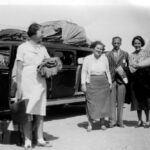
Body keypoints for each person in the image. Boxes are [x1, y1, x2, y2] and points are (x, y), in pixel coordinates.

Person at [15, 23, 51, 149]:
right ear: (34, 33)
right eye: (41, 32)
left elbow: (49, 62)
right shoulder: (22, 47)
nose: (43, 34)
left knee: (40, 111)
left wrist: (53, 64)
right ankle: (28, 140)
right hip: (27, 81)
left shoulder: (42, 48)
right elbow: (18, 70)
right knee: (27, 112)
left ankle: (40, 139)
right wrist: (19, 89)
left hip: (40, 82)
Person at [81, 41, 112, 131]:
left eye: (101, 49)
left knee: (103, 104)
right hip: (91, 82)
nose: (99, 50)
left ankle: (102, 124)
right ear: (93, 48)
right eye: (97, 48)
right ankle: (90, 124)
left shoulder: (104, 58)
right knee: (91, 104)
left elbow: (108, 71)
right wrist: (83, 84)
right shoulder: (87, 58)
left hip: (103, 82)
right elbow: (84, 72)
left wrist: (109, 83)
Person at [106, 36, 129, 128]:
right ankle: (112, 122)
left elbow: (129, 67)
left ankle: (120, 122)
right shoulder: (107, 54)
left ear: (121, 43)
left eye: (118, 43)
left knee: (120, 102)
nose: (116, 44)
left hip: (121, 80)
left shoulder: (125, 54)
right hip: (111, 80)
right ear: (112, 43)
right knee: (111, 102)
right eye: (114, 43)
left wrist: (122, 71)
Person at [129, 36, 150, 128]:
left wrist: (137, 65)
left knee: (146, 101)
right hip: (135, 80)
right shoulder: (131, 55)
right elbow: (131, 69)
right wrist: (137, 66)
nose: (137, 45)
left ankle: (148, 120)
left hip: (145, 79)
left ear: (142, 44)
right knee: (137, 101)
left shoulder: (146, 53)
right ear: (133, 44)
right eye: (135, 43)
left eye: (139, 43)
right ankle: (139, 120)